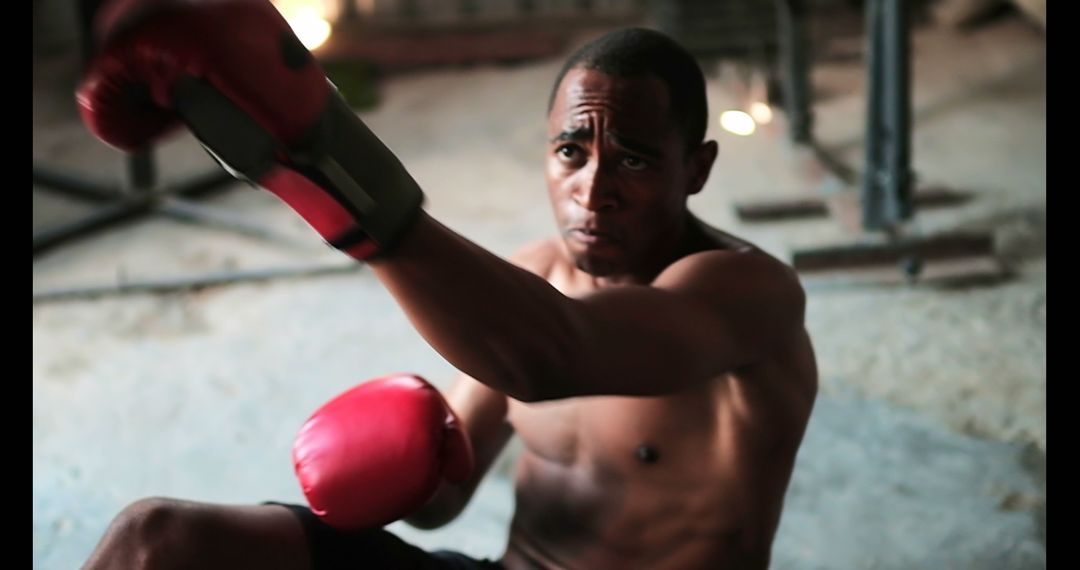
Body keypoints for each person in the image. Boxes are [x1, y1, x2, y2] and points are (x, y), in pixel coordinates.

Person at [77, 1, 818, 568]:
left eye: (633, 160)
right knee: (157, 541)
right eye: (571, 152)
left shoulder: (752, 296)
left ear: (696, 169)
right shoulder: (533, 281)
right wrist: (407, 470)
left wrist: (328, 166)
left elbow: (560, 353)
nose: (592, 194)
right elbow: (442, 505)